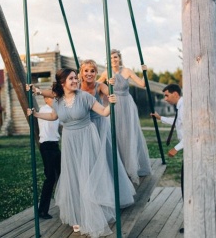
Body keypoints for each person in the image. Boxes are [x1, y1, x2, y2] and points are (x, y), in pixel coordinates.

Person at [27, 68, 118, 237]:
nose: (76, 81)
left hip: (86, 139)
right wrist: (36, 114)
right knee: (73, 178)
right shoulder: (59, 100)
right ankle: (76, 215)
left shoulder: (85, 97)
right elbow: (54, 116)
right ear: (63, 83)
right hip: (69, 141)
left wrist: (111, 103)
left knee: (86, 177)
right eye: (72, 78)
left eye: (76, 78)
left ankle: (90, 215)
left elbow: (104, 112)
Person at [79, 60, 135, 206]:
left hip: (99, 125)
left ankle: (108, 195)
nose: (89, 73)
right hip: (83, 127)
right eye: (86, 71)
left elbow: (111, 95)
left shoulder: (100, 86)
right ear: (81, 72)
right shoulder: (76, 87)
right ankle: (88, 196)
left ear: (96, 73)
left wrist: (112, 92)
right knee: (87, 161)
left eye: (92, 71)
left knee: (104, 158)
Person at [97, 49, 152, 184]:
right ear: (108, 61)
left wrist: (145, 72)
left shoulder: (127, 71)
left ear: (119, 58)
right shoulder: (106, 73)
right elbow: (95, 86)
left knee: (129, 134)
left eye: (115, 57)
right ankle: (120, 167)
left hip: (127, 105)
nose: (114, 60)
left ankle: (131, 167)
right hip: (114, 105)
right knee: (116, 134)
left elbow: (142, 84)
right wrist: (107, 85)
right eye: (111, 58)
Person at [151, 83, 184, 233]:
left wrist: (176, 149)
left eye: (167, 95)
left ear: (175, 94)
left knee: (187, 186)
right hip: (189, 150)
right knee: (185, 185)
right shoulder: (181, 107)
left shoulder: (184, 107)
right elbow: (178, 122)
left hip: (191, 149)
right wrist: (160, 118)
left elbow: (191, 130)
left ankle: (193, 220)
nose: (165, 99)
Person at [37, 96, 61, 220]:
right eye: (51, 98)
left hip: (55, 145)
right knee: (50, 177)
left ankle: (64, 204)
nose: (53, 100)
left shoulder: (57, 109)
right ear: (46, 100)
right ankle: (42, 210)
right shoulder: (44, 109)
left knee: (62, 175)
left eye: (55, 98)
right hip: (47, 145)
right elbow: (53, 117)